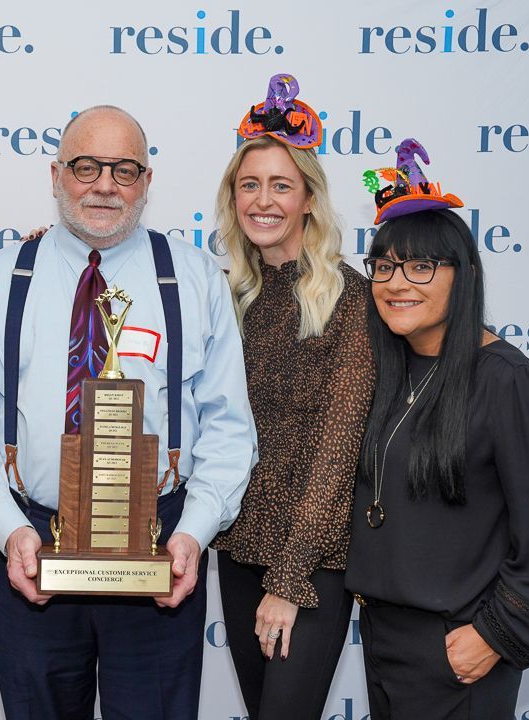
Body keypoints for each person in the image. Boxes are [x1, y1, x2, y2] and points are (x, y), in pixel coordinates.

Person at [0, 105, 256, 720]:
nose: (104, 185)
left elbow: (227, 426)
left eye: (124, 170)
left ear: (147, 182)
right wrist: (11, 532)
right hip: (33, 546)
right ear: (56, 174)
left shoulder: (193, 279)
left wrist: (193, 532)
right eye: (86, 167)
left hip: (162, 549)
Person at [345, 139, 529, 719]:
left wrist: (495, 635)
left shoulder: (509, 383)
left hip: (457, 647)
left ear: (465, 272)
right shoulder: (393, 369)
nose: (398, 283)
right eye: (384, 266)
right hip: (385, 637)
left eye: (421, 266)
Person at [209, 74, 375, 720]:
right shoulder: (226, 297)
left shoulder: (351, 299)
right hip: (236, 552)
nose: (263, 200)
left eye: (281, 185)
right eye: (249, 185)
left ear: (309, 197)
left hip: (311, 566)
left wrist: (288, 579)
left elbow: (338, 453)